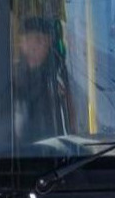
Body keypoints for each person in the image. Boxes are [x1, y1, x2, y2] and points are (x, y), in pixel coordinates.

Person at [10, 16, 70, 145]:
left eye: (46, 41)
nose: (43, 45)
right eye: (38, 39)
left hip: (59, 152)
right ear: (22, 42)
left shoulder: (59, 75)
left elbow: (71, 116)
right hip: (18, 156)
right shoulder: (10, 77)